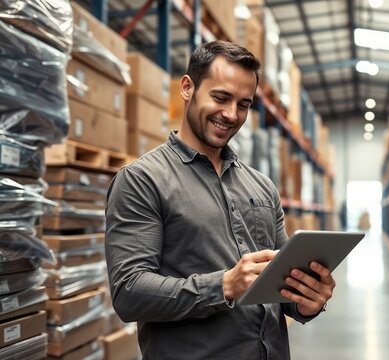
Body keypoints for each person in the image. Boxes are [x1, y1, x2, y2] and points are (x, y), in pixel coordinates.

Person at [105, 40, 335, 360]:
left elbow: (281, 287)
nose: (231, 114)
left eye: (243, 104)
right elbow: (129, 293)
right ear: (188, 87)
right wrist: (224, 285)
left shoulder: (262, 187)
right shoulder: (142, 180)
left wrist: (307, 302)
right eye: (220, 97)